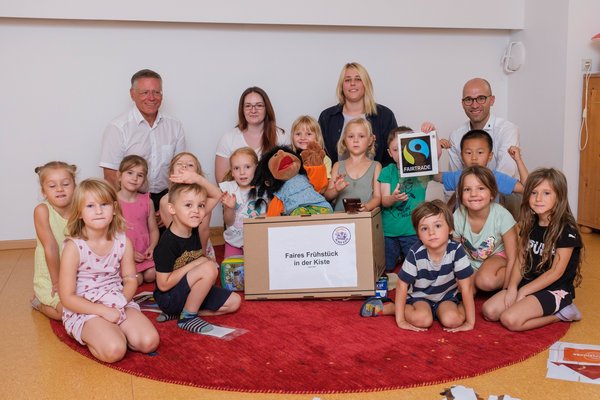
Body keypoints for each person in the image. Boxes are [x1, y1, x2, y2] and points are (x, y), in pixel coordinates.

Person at [59, 179, 159, 363]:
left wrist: (121, 301)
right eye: (90, 206)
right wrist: (102, 311)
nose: (98, 211)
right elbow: (67, 297)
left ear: (114, 208)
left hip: (116, 301)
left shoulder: (123, 242)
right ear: (79, 212)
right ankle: (95, 332)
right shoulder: (74, 247)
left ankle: (114, 330)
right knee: (115, 350)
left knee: (149, 342)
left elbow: (130, 278)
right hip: (85, 307)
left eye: (104, 204)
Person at [481, 168, 584, 331]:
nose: (538, 199)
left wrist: (524, 291)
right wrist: (513, 287)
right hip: (529, 281)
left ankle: (562, 313)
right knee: (489, 311)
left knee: (510, 320)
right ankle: (527, 299)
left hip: (554, 289)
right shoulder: (530, 224)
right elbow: (521, 260)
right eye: (534, 192)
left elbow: (555, 273)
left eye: (546, 193)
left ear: (559, 197)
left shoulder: (566, 230)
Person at [360, 200, 475, 333]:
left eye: (437, 226)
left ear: (450, 229)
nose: (431, 232)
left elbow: (466, 287)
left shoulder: (456, 250)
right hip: (419, 297)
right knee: (423, 320)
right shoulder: (415, 252)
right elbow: (402, 284)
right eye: (424, 228)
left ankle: (448, 310)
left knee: (452, 321)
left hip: (446, 297)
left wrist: (470, 322)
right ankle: (392, 308)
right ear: (418, 234)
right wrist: (401, 320)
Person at [99, 69, 186, 225]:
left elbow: (182, 170)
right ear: (132, 94)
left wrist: (170, 206)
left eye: (156, 92)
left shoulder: (175, 126)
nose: (151, 98)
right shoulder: (118, 128)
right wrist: (123, 208)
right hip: (130, 199)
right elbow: (111, 175)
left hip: (167, 198)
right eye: (145, 92)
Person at [153, 182, 241, 333]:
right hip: (169, 297)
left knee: (234, 302)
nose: (196, 211)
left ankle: (182, 312)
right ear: (172, 209)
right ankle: (187, 317)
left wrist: (193, 177)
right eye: (188, 205)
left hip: (191, 291)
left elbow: (216, 194)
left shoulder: (192, 226)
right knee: (208, 267)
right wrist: (197, 264)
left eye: (200, 206)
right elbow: (163, 285)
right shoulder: (166, 244)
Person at [442, 78, 520, 216]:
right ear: (462, 103)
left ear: (492, 100)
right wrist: (450, 215)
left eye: (481, 98)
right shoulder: (456, 135)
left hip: (504, 196)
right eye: (468, 99)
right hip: (469, 200)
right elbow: (455, 180)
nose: (474, 104)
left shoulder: (507, 129)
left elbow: (505, 175)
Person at [378, 126, 437, 272]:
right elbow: (384, 200)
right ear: (389, 153)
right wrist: (393, 198)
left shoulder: (421, 169)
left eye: (405, 147)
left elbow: (436, 155)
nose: (400, 153)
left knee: (416, 266)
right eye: (395, 149)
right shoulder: (387, 171)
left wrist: (431, 135)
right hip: (389, 232)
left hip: (412, 230)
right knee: (388, 268)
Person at [318, 62, 398, 166]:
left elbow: (396, 153)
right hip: (337, 180)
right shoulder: (327, 117)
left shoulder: (385, 115)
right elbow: (318, 154)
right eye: (347, 80)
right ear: (342, 86)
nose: (352, 83)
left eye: (358, 79)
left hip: (378, 180)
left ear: (366, 84)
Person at [453, 166, 518, 292]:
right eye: (467, 189)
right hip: (470, 260)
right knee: (463, 289)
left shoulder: (502, 216)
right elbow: (454, 251)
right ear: (460, 194)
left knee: (485, 281)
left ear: (492, 193)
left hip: (497, 257)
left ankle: (485, 277)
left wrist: (507, 288)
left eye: (481, 188)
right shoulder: (458, 215)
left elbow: (513, 258)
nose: (473, 194)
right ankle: (476, 278)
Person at [32, 161, 77, 320]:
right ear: (44, 191)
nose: (60, 189)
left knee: (86, 305)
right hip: (51, 274)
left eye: (65, 184)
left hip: (75, 271)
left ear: (74, 186)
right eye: (52, 186)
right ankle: (38, 303)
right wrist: (57, 282)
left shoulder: (80, 209)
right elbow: (50, 248)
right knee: (65, 312)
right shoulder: (42, 211)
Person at [437, 130, 528, 208]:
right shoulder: (458, 176)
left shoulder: (495, 178)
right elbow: (432, 175)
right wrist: (436, 151)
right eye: (468, 153)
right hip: (462, 227)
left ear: (490, 156)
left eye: (480, 152)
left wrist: (518, 160)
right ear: (462, 156)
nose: (474, 158)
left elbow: (526, 188)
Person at [215, 86, 289, 183]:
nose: (253, 110)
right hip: (237, 197)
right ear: (242, 110)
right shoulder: (228, 138)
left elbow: (289, 175)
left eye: (259, 105)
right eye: (248, 106)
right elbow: (222, 182)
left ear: (267, 109)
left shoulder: (281, 137)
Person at [159, 152, 215, 259]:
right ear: (171, 172)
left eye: (190, 165)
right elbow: (171, 232)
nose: (184, 166)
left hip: (199, 247)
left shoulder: (203, 199)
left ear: (197, 174)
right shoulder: (165, 201)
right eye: (179, 164)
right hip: (178, 249)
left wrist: (200, 255)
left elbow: (203, 230)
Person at [116, 155, 159, 286]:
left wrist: (152, 247)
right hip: (123, 253)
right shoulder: (113, 202)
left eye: (140, 175)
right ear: (119, 175)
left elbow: (153, 229)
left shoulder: (147, 201)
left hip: (144, 252)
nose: (134, 178)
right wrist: (129, 252)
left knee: (152, 274)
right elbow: (110, 234)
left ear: (144, 179)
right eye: (130, 173)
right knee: (137, 279)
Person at [324, 117, 382, 212]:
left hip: (365, 219)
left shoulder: (376, 166)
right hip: (340, 221)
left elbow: (377, 197)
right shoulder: (337, 166)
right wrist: (336, 190)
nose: (355, 140)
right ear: (344, 140)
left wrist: (367, 207)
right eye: (351, 136)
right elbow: (327, 196)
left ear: (370, 140)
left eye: (361, 136)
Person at [219, 147, 266, 258]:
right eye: (236, 168)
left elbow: (273, 213)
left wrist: (264, 217)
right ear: (232, 172)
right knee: (231, 271)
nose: (242, 172)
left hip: (258, 242)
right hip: (233, 242)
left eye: (247, 167)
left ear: (256, 168)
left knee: (258, 270)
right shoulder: (229, 188)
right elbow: (228, 222)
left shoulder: (264, 190)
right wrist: (229, 208)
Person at [290, 115, 332, 179]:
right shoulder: (289, 156)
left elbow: (325, 183)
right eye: (298, 134)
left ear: (317, 137)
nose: (303, 138)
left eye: (308, 134)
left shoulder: (325, 159)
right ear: (292, 137)